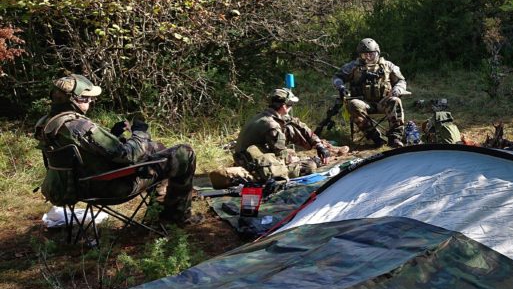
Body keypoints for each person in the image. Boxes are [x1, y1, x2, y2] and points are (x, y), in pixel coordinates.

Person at [34, 74, 197, 226]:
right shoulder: (80, 126)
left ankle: (159, 210)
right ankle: (175, 217)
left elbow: (86, 154)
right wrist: (140, 132)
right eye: (88, 99)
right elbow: (129, 155)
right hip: (111, 187)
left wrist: (113, 135)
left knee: (157, 149)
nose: (90, 102)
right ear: (76, 99)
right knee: (184, 153)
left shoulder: (46, 124)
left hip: (78, 186)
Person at [233, 88, 347, 181]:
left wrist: (318, 145)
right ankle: (321, 157)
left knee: (291, 127)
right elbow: (281, 154)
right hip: (253, 162)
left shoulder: (268, 115)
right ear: (284, 106)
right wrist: (302, 159)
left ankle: (328, 148)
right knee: (310, 166)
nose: (291, 107)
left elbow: (299, 125)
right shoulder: (271, 125)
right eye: (290, 104)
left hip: (257, 153)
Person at [333, 38, 408, 148]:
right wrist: (341, 87)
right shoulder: (353, 66)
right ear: (360, 55)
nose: (368, 57)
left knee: (395, 101)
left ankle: (395, 138)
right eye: (365, 55)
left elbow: (401, 81)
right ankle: (376, 138)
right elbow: (337, 77)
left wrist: (397, 89)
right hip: (363, 103)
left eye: (371, 54)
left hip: (384, 102)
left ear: (377, 53)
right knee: (353, 104)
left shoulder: (388, 66)